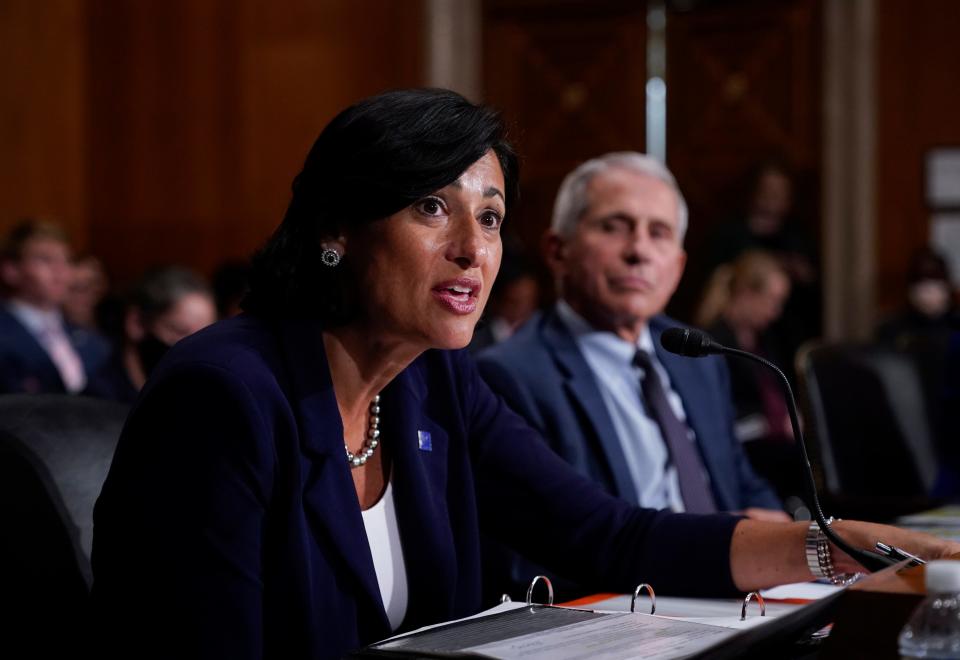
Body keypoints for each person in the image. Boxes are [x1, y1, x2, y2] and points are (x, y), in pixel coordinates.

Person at [90, 90, 960, 660]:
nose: (473, 249)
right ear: (337, 228)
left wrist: (854, 546)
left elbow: (613, 539)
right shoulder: (226, 395)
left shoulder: (434, 384)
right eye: (432, 206)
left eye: (492, 216)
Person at [479, 153, 785, 519]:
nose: (639, 251)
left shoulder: (699, 358)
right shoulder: (511, 377)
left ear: (678, 266)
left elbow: (741, 483)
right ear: (558, 251)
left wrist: (781, 533)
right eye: (614, 226)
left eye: (659, 233)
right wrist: (721, 547)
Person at [696, 250, 800, 501]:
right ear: (746, 294)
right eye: (772, 301)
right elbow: (718, 414)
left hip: (774, 447)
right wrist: (772, 422)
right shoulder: (712, 342)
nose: (776, 312)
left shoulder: (766, 339)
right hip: (747, 453)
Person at [0, 219, 109, 394]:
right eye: (45, 260)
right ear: (11, 270)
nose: (61, 270)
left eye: (67, 260)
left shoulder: (90, 339)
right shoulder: (4, 334)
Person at [85, 265, 217, 403]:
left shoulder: (198, 400)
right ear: (136, 323)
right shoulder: (99, 396)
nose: (196, 348)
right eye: (181, 331)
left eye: (205, 337)